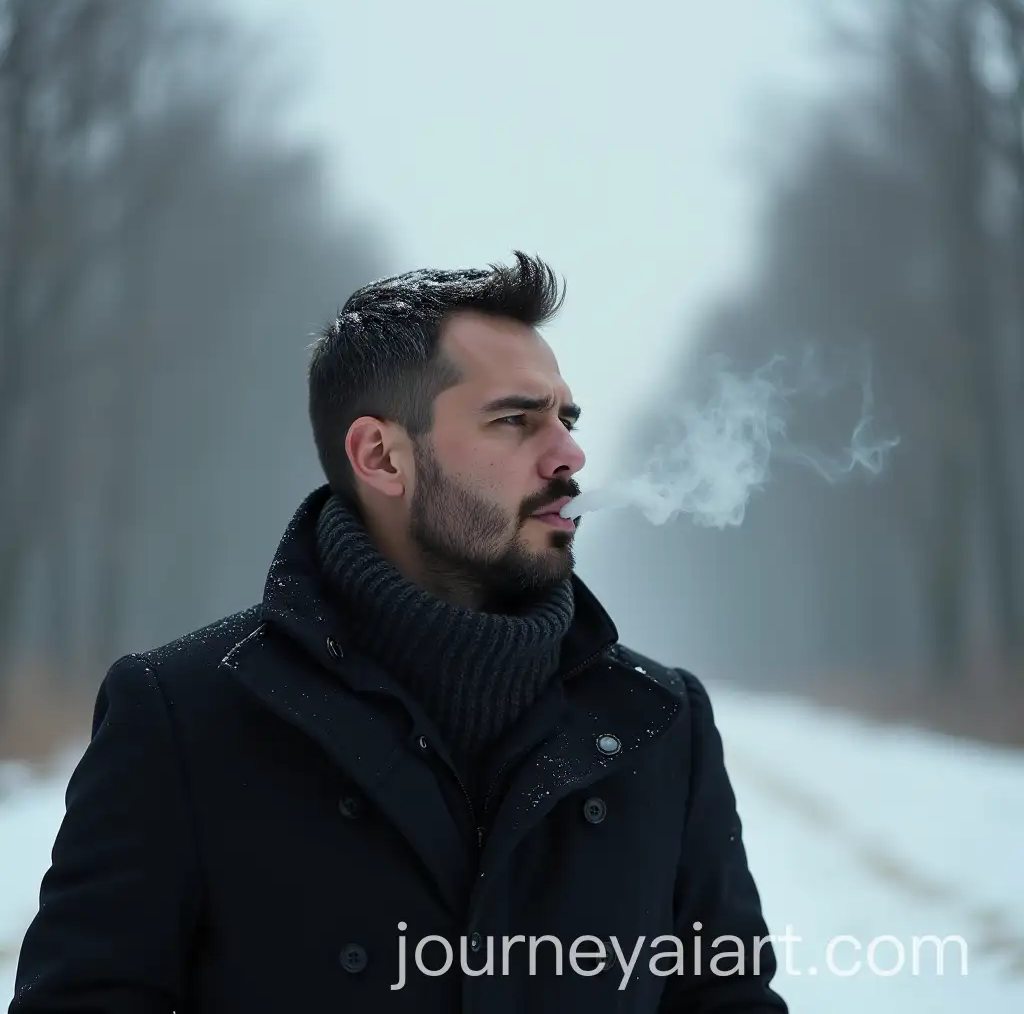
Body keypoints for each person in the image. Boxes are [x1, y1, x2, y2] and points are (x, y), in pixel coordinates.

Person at [9, 253, 787, 1013]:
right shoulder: (185, 716)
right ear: (381, 455)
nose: (570, 455)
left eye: (568, 419)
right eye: (516, 420)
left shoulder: (659, 723)